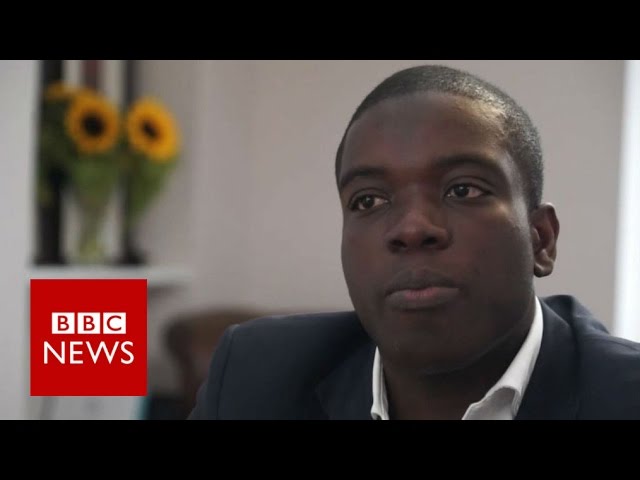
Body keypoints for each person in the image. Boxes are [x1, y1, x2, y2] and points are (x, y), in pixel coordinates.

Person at [188, 64, 640, 420]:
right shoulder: (255, 377)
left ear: (541, 240)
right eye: (368, 200)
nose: (410, 228)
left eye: (462, 189)